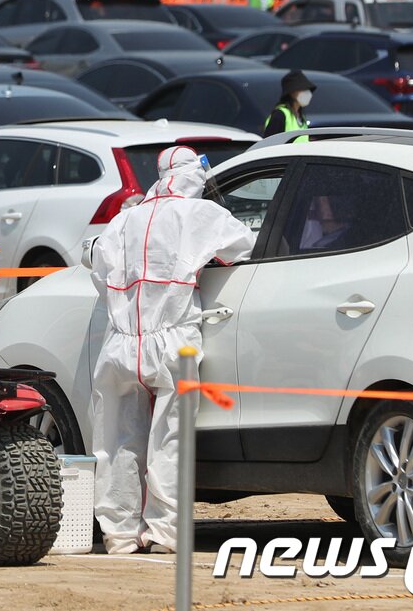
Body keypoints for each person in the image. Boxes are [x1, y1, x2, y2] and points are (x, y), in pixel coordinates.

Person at [88, 146, 255, 555]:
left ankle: (120, 535)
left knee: (116, 441)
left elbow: (96, 268)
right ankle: (163, 534)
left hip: (121, 342)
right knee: (170, 439)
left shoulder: (124, 220)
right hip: (173, 340)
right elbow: (243, 248)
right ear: (191, 176)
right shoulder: (201, 215)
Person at [263, 69, 314, 141]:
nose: (307, 93)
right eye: (302, 89)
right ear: (291, 92)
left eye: (307, 89)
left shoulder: (301, 117)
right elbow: (269, 144)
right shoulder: (279, 115)